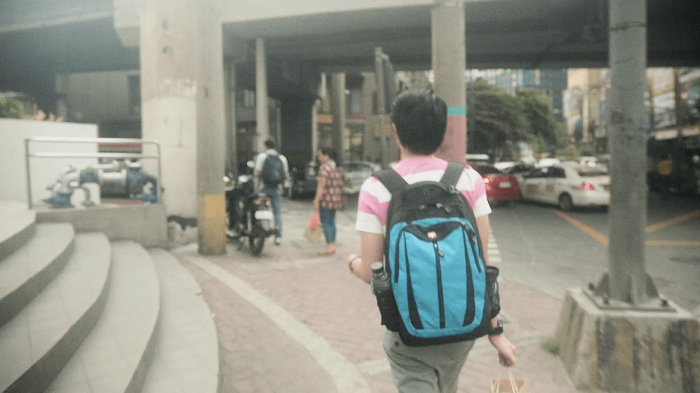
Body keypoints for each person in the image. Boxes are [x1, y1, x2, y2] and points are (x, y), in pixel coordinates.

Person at [346, 90, 517, 393]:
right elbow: (482, 262)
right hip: (462, 328)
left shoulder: (376, 188)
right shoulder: (468, 179)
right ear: (442, 134)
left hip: (408, 332)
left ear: (395, 131)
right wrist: (494, 330)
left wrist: (351, 263)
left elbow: (373, 273)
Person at [255, 137, 288, 245]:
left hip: (264, 188)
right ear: (275, 146)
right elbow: (284, 175)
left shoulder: (262, 156)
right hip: (276, 188)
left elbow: (258, 173)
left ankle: (263, 231)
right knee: (277, 212)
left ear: (265, 146)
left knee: (261, 209)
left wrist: (257, 185)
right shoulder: (282, 158)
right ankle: (278, 237)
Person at [313, 147, 344, 255]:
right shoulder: (335, 167)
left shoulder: (324, 168)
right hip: (335, 199)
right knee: (332, 222)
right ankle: (333, 245)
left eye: (320, 155)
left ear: (327, 156)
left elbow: (321, 186)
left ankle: (329, 245)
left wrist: (316, 200)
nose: (319, 157)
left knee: (325, 223)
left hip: (326, 199)